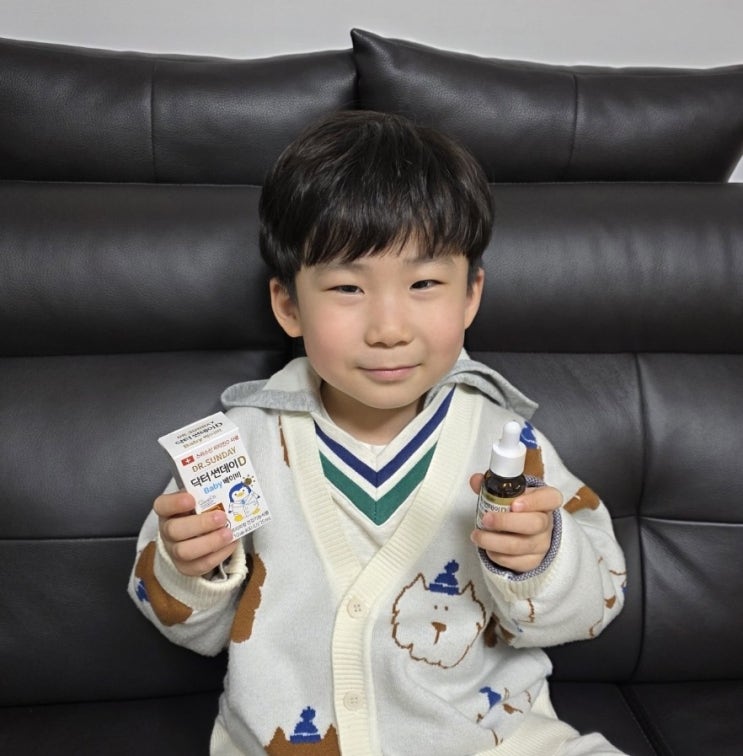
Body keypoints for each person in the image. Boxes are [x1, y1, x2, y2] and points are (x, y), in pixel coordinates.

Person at [129, 110, 627, 756]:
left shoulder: (506, 440)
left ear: (470, 295)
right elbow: (188, 627)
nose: (388, 328)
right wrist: (191, 566)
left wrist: (540, 560)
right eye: (346, 287)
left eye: (424, 283)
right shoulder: (239, 442)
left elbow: (599, 600)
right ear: (288, 305)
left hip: (496, 742)